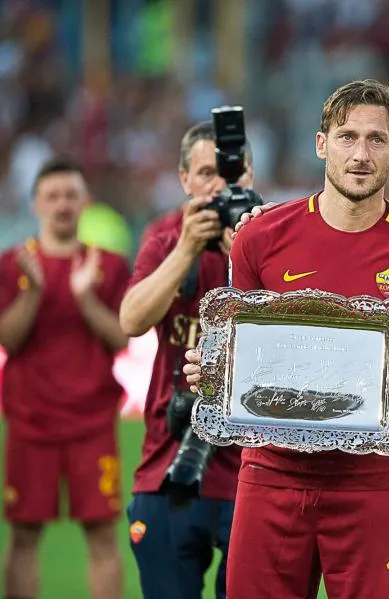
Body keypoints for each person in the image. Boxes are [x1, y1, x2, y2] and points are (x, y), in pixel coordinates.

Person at [185, 79, 389, 599]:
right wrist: (213, 372)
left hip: (373, 481)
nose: (361, 154)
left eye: (376, 140)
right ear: (321, 144)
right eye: (347, 137)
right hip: (271, 476)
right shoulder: (260, 237)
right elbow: (233, 350)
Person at [118, 121, 254, 599]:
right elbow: (131, 319)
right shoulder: (165, 239)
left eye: (228, 173)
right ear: (183, 180)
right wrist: (187, 250)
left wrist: (248, 260)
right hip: (169, 461)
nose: (217, 185)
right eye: (203, 173)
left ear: (249, 175)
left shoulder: (273, 239)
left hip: (254, 468)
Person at [0, 158, 131, 599]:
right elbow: (8, 340)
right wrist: (33, 292)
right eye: (52, 196)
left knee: (101, 536)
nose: (62, 204)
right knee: (23, 536)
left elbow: (120, 338)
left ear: (85, 203)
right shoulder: (12, 265)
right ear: (35, 203)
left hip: (91, 422)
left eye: (70, 195)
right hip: (30, 420)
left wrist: (86, 299)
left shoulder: (108, 267)